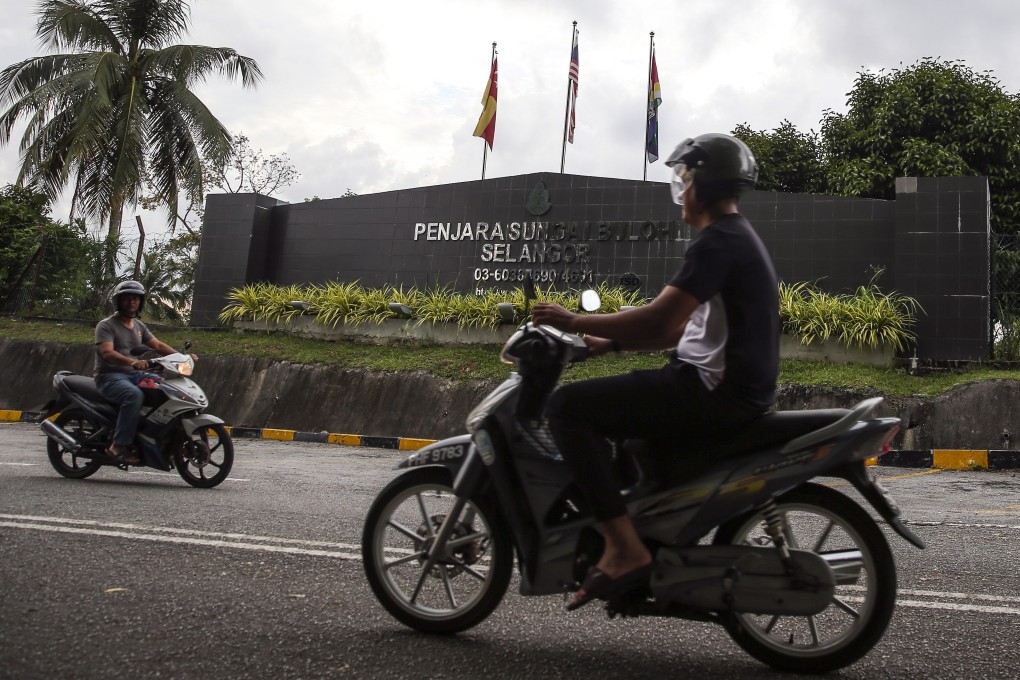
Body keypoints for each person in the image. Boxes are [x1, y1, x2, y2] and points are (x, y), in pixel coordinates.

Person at [530, 133, 779, 611]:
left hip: (712, 390)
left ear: (703, 186)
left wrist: (573, 320)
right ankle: (643, 532)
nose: (680, 191)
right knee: (630, 438)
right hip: (731, 389)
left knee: (568, 409)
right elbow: (683, 325)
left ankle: (625, 548)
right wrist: (610, 343)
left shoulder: (717, 242)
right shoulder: (734, 236)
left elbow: (661, 318)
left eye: (684, 180)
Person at [94, 280, 181, 465]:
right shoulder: (106, 325)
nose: (132, 302)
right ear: (118, 301)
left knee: (168, 389)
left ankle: (154, 438)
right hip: (110, 377)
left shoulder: (139, 326)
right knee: (133, 396)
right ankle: (118, 445)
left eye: (136, 299)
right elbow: (107, 352)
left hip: (135, 375)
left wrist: (181, 357)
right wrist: (132, 362)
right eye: (127, 298)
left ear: (141, 302)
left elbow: (157, 345)